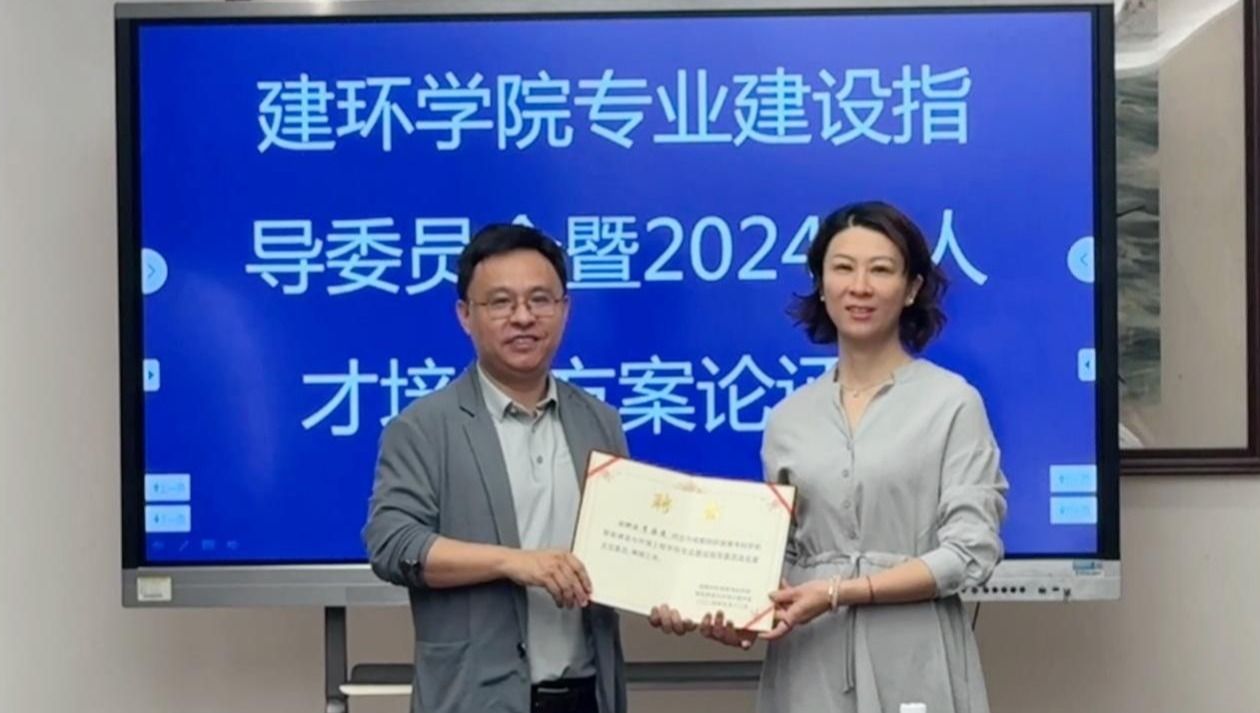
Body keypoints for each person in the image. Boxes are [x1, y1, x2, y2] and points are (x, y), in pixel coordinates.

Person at [651, 200, 1008, 713]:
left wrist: (841, 591)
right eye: (843, 268)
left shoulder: (952, 403)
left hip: (912, 654)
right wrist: (731, 607)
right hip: (809, 659)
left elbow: (969, 554)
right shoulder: (788, 418)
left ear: (911, 288)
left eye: (880, 270)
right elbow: (778, 557)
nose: (859, 287)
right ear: (821, 284)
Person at [365, 223, 630, 713]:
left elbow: (627, 551)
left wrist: (676, 595)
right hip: (475, 698)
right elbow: (392, 544)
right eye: (501, 302)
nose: (523, 317)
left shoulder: (599, 422)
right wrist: (512, 561)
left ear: (565, 310)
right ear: (466, 315)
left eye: (540, 300)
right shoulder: (423, 427)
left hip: (585, 694)